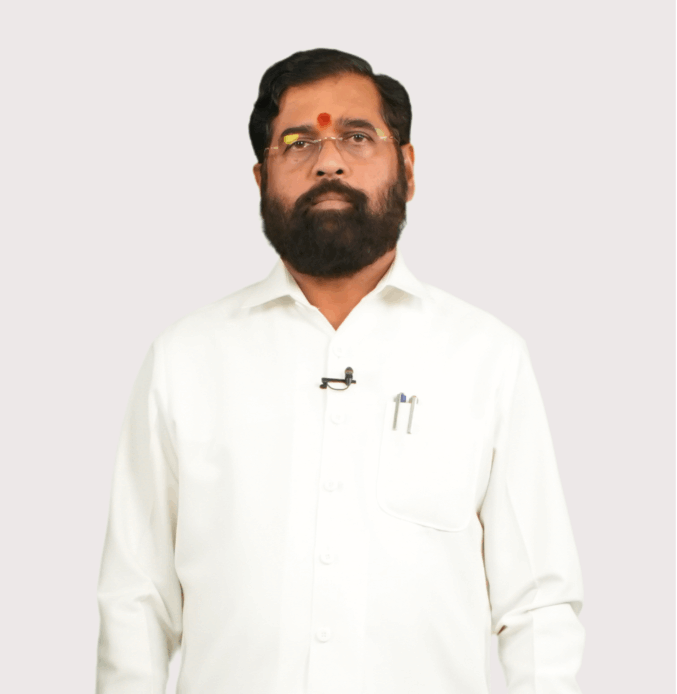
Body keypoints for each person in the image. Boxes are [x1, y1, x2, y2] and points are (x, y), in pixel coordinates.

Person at [95, 48, 585, 693]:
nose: (328, 161)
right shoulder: (186, 360)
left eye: (358, 136)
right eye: (297, 143)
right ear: (260, 178)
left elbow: (538, 605)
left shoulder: (485, 357)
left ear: (407, 168)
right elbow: (137, 599)